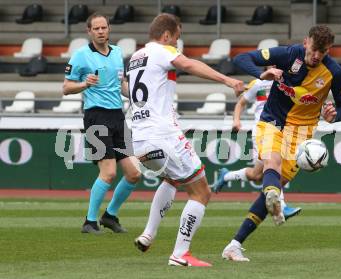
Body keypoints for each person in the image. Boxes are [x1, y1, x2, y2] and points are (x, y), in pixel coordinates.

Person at [221, 25, 341, 261]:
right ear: (305, 43)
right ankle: (273, 193)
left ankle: (234, 245)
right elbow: (241, 58)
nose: (316, 56)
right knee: (273, 161)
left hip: (301, 134)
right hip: (272, 120)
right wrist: (261, 74)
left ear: (328, 50)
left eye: (322, 52)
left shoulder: (334, 72)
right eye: (313, 50)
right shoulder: (288, 55)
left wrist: (335, 116)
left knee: (272, 179)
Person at [129, 14, 244, 267]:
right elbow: (189, 65)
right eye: (177, 38)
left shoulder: (136, 56)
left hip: (138, 138)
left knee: (172, 178)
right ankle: (180, 254)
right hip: (162, 134)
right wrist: (228, 80)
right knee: (201, 191)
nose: (177, 45)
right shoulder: (161, 51)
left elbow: (130, 89)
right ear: (167, 35)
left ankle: (148, 234)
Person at [63, 13, 141, 234]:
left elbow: (122, 85)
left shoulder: (117, 53)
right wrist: (84, 84)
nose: (100, 31)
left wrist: (138, 98)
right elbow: (66, 88)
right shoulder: (81, 55)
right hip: (96, 117)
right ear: (89, 31)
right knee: (108, 173)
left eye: (103, 27)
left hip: (118, 116)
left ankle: (110, 216)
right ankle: (89, 221)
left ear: (109, 29)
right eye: (96, 28)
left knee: (134, 174)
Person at [211, 75, 302, 220]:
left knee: (257, 175)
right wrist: (236, 120)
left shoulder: (287, 83)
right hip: (263, 130)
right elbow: (241, 102)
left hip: (279, 130)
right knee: (274, 165)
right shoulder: (259, 84)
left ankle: (226, 175)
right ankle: (282, 207)